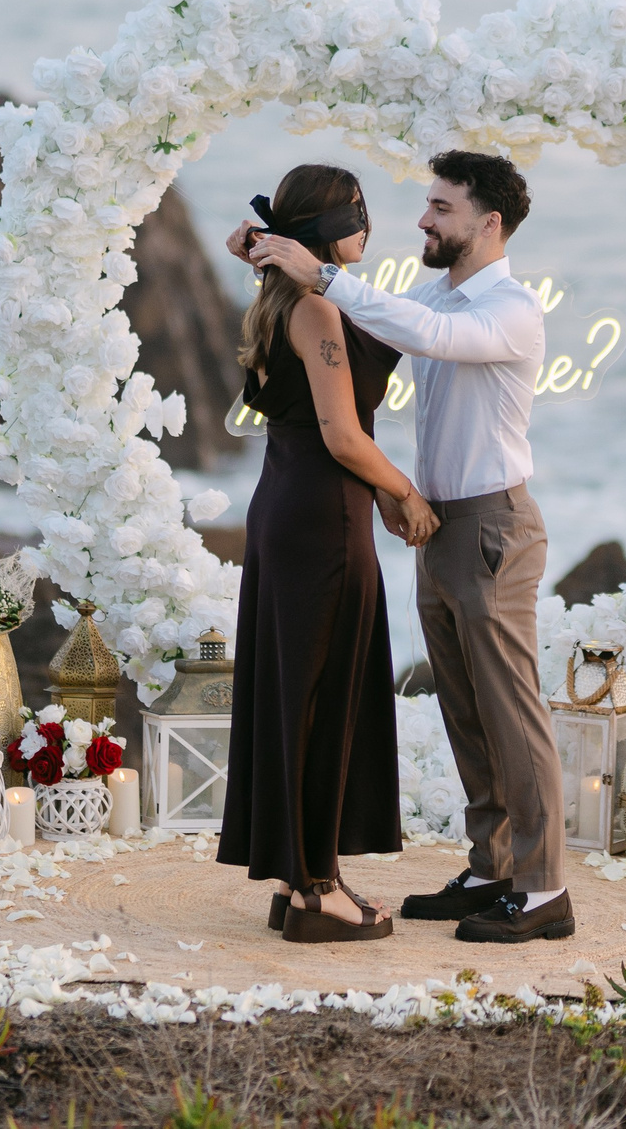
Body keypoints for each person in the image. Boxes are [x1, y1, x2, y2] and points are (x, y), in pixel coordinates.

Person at [239, 150, 574, 943]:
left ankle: (544, 889)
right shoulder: (437, 294)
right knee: (467, 710)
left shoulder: (511, 308)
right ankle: (491, 867)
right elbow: (366, 329)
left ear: (489, 223)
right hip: (437, 526)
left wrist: (321, 273)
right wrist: (269, 252)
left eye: (441, 208)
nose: (422, 219)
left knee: (512, 711)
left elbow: (423, 333)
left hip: (492, 525)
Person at [215, 163, 440, 944]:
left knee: (298, 695)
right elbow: (343, 435)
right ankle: (317, 890)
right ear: (319, 230)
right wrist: (405, 490)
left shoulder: (279, 300)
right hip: (322, 520)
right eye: (353, 214)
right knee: (325, 699)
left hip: (284, 504)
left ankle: (302, 877)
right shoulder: (314, 309)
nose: (368, 226)